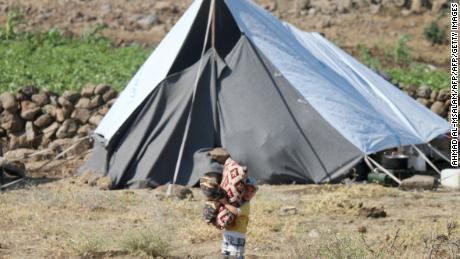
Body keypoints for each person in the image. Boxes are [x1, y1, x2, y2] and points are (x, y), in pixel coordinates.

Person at [220, 176, 258, 259]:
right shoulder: (237, 202)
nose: (249, 193)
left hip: (237, 235)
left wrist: (225, 203)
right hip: (228, 233)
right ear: (241, 190)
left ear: (254, 194)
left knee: (235, 255)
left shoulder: (246, 205)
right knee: (226, 255)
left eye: (252, 191)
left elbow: (236, 212)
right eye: (247, 189)